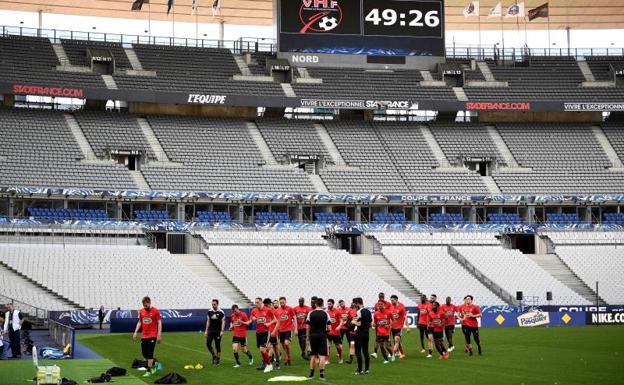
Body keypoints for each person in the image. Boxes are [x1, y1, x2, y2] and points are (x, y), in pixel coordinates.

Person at [132, 297, 162, 377]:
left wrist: (159, 334)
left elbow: (159, 323)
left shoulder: (156, 311)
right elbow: (140, 322)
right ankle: (155, 363)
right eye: (144, 305)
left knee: (149, 353)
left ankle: (149, 371)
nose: (145, 306)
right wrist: (135, 332)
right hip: (144, 335)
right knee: (144, 354)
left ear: (149, 303)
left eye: (146, 304)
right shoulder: (141, 311)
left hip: (152, 335)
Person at [250, 297, 280, 373]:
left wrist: (269, 323)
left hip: (266, 332)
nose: (256, 304)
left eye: (257, 302)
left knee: (263, 349)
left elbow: (275, 320)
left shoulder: (268, 310)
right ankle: (266, 364)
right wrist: (252, 318)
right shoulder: (254, 310)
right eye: (255, 302)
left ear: (261, 302)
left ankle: (270, 365)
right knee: (261, 350)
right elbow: (251, 318)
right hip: (258, 332)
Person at [305, 298, 331, 380]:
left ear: (315, 304)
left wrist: (307, 336)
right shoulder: (326, 313)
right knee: (322, 355)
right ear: (323, 304)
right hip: (322, 335)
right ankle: (321, 375)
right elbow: (329, 327)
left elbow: (308, 326)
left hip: (313, 335)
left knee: (313, 355)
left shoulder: (311, 313)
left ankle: (311, 374)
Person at [351, 297, 372, 375]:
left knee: (358, 351)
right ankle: (367, 369)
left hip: (359, 333)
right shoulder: (368, 311)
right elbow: (370, 324)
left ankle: (360, 370)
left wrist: (353, 322)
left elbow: (359, 324)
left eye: (354, 303)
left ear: (357, 303)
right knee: (365, 351)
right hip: (366, 333)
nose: (353, 305)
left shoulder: (359, 311)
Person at [371, 293, 393, 358]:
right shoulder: (376, 305)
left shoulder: (388, 304)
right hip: (379, 325)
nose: (381, 298)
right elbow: (375, 316)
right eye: (380, 297)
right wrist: (374, 323)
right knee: (378, 340)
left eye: (382, 297)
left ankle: (391, 353)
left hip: (387, 324)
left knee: (387, 343)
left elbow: (391, 315)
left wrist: (389, 325)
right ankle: (376, 353)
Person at [277, 297, 297, 366]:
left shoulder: (290, 309)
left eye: (283, 302)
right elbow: (277, 321)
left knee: (286, 344)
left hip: (288, 329)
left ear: (286, 302)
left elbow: (294, 318)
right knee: (283, 345)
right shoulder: (278, 310)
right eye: (280, 302)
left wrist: (296, 328)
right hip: (280, 330)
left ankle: (289, 357)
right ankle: (286, 358)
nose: (282, 303)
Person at [205, 299, 225, 365]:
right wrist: (206, 330)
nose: (213, 305)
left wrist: (222, 331)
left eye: (214, 304)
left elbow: (223, 322)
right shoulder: (209, 312)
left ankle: (218, 360)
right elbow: (208, 321)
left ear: (217, 304)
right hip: (211, 331)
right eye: (212, 304)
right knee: (208, 344)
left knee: (217, 346)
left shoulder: (221, 312)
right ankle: (214, 356)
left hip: (218, 331)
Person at [390, 295, 408, 359]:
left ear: (396, 300)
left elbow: (405, 317)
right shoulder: (390, 307)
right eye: (391, 300)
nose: (391, 301)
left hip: (399, 327)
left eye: (392, 300)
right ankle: (402, 353)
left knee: (396, 340)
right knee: (398, 341)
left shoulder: (401, 307)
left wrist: (407, 327)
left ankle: (393, 355)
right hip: (392, 327)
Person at [326, 299, 344, 364]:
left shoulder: (337, 311)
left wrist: (339, 326)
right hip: (328, 332)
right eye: (328, 304)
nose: (328, 305)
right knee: (327, 346)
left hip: (336, 332)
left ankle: (341, 358)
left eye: (330, 304)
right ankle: (327, 360)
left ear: (333, 304)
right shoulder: (326, 312)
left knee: (338, 347)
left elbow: (341, 320)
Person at [337, 300, 355, 364]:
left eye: (342, 303)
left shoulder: (349, 309)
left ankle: (351, 354)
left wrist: (347, 322)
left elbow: (352, 317)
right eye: (340, 304)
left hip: (348, 328)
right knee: (340, 342)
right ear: (339, 305)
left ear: (344, 303)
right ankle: (340, 354)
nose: (342, 304)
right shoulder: (338, 310)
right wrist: (341, 322)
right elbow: (337, 318)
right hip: (341, 328)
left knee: (350, 341)